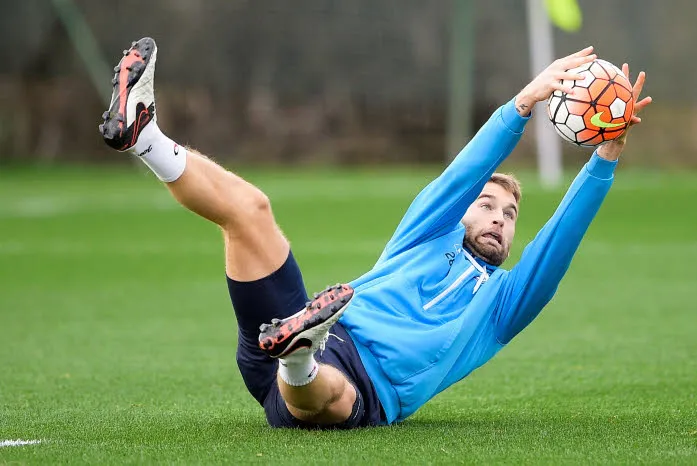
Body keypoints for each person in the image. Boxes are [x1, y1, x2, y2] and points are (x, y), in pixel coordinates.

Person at [99, 38, 651, 429]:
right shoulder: (427, 234)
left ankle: (298, 355)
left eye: (509, 216)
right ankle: (145, 136)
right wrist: (524, 102)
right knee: (251, 210)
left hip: (353, 383)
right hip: (311, 320)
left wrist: (607, 156)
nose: (499, 219)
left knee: (333, 397)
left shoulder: (503, 302)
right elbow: (464, 172)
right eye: (487, 206)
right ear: (460, 213)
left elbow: (559, 241)